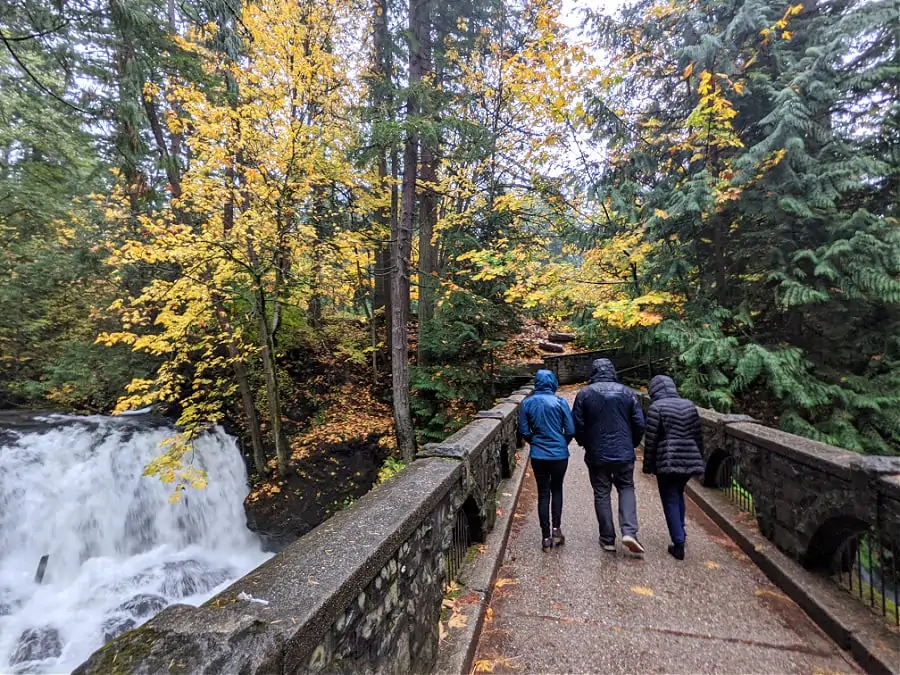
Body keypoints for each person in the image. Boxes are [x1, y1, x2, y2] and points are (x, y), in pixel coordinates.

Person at [573, 358, 646, 555]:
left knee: (601, 492)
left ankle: (607, 539)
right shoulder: (627, 392)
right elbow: (639, 423)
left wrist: (585, 443)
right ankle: (629, 531)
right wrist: (631, 444)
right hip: (623, 452)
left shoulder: (584, 394)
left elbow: (577, 425)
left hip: (597, 453)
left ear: (594, 372)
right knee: (626, 487)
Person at [642, 374, 706, 560]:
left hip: (667, 460)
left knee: (670, 497)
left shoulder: (657, 408)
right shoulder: (688, 405)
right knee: (678, 493)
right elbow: (698, 435)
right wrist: (699, 458)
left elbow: (651, 441)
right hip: (689, 457)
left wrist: (648, 467)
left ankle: (678, 543)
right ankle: (681, 532)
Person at [519, 369, 575, 550]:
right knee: (557, 489)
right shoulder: (560, 402)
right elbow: (571, 429)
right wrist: (562, 443)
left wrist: (534, 442)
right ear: (553, 383)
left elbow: (524, 431)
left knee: (543, 493)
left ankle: (545, 537)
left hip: (538, 455)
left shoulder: (527, 403)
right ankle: (556, 530)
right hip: (559, 455)